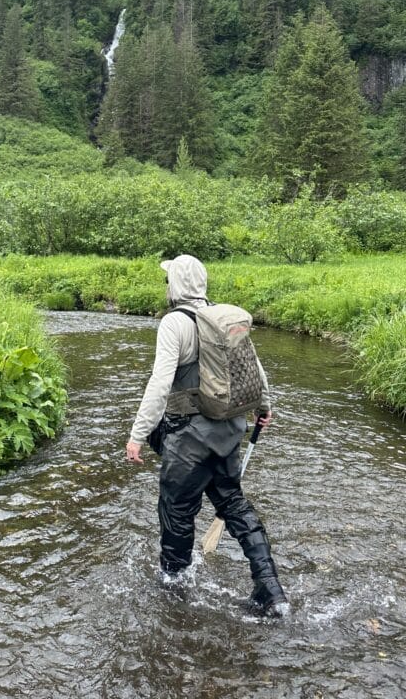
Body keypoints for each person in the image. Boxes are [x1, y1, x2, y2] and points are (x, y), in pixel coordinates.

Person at [125, 254, 288, 617]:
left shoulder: (174, 322)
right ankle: (271, 589)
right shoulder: (224, 318)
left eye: (168, 280)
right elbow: (255, 370)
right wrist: (264, 407)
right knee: (233, 503)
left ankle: (174, 591)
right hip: (228, 431)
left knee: (177, 511)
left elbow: (160, 383)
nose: (166, 286)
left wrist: (138, 434)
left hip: (188, 441)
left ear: (175, 285)